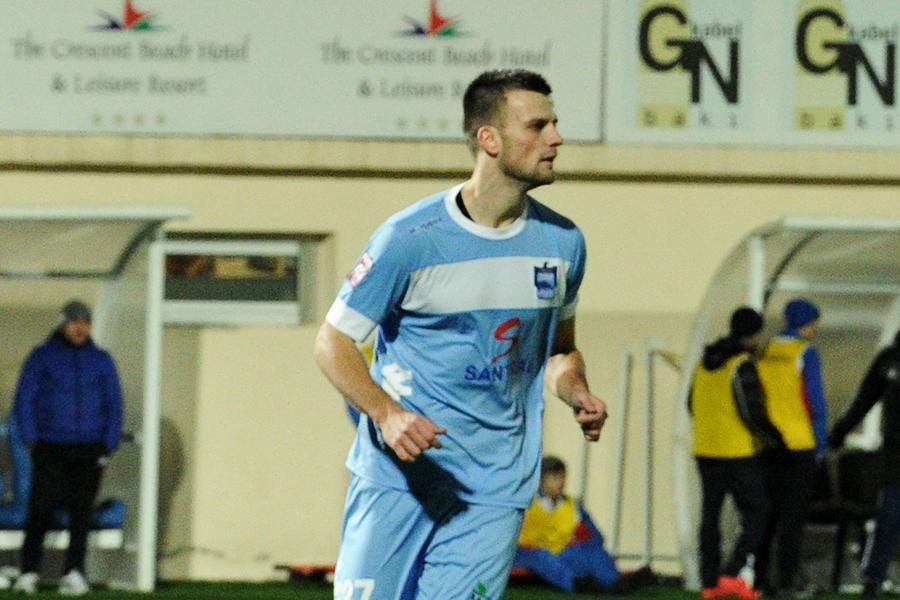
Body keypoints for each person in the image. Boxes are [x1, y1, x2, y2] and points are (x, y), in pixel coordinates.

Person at [313, 68, 607, 600]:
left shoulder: (563, 243)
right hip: (400, 477)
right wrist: (387, 414)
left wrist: (576, 390)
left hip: (495, 488)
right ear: (488, 139)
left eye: (555, 124)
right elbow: (332, 342)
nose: (556, 138)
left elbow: (559, 351)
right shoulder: (409, 239)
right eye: (537, 126)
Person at [11, 300, 123, 596]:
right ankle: (29, 571)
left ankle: (74, 571)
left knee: (81, 511)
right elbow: (25, 399)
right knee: (40, 509)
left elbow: (114, 402)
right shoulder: (42, 356)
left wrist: (108, 443)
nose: (80, 328)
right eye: (74, 322)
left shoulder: (101, 360)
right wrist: (32, 440)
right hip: (50, 445)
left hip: (90, 448)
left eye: (85, 322)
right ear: (62, 324)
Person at [690, 307, 787, 600]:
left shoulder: (703, 363)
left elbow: (691, 404)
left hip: (705, 450)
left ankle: (708, 582)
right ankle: (731, 574)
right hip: (737, 452)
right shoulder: (741, 365)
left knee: (710, 516)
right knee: (759, 512)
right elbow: (752, 412)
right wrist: (776, 440)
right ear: (752, 335)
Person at [756, 298, 828, 595]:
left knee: (766, 515)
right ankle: (788, 579)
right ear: (807, 324)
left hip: (768, 444)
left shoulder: (766, 350)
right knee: (793, 516)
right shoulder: (805, 353)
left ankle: (759, 579)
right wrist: (820, 444)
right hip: (799, 442)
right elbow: (816, 401)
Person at [513, 455, 658, 595]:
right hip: (529, 552)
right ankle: (576, 584)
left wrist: (584, 539)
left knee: (591, 548)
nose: (561, 482)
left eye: (563, 477)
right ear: (542, 480)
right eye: (555, 477)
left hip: (562, 552)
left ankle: (616, 582)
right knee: (541, 556)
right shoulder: (526, 503)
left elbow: (597, 536)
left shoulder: (573, 506)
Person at [829, 331, 900, 597]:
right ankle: (874, 577)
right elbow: (865, 398)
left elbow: (864, 399)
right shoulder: (890, 359)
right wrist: (840, 432)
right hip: (896, 450)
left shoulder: (890, 359)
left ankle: (874, 577)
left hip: (894, 447)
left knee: (890, 512)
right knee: (890, 513)